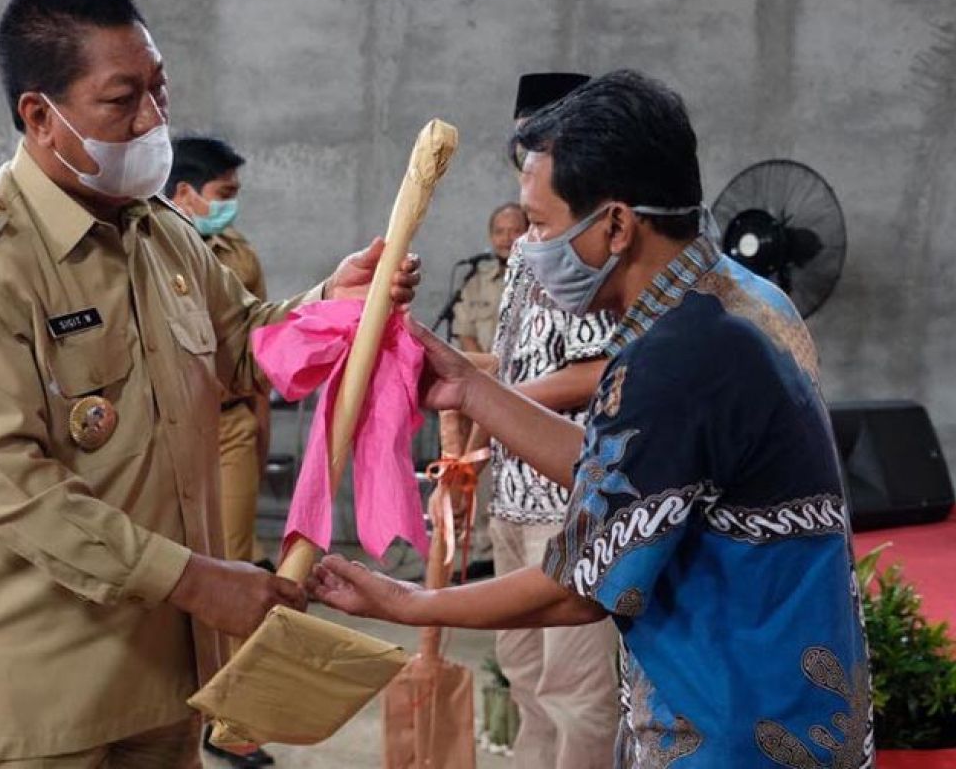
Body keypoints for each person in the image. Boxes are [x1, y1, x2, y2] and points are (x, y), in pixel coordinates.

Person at [0, 0, 418, 768]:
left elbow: (242, 341)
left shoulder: (162, 233)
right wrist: (201, 581)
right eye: (122, 99)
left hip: (162, 673)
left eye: (160, 89)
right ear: (41, 116)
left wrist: (330, 306)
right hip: (34, 687)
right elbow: (8, 486)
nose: (153, 119)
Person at [309, 70, 873, 767]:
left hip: (733, 729)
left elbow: (576, 590)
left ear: (614, 224)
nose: (527, 250)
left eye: (541, 226)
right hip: (788, 706)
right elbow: (635, 473)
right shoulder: (733, 301)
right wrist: (465, 385)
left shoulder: (677, 357)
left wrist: (404, 603)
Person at [468, 71, 621, 768]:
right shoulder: (532, 246)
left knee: (577, 691)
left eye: (546, 140)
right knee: (524, 672)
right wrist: (474, 443)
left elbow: (603, 370)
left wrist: (506, 398)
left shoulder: (595, 245)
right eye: (523, 141)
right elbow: (514, 364)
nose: (529, 154)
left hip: (571, 501)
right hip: (513, 492)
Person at [166, 136, 271, 570]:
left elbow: (260, 344)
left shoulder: (240, 254)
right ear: (185, 192)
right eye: (222, 195)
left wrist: (259, 428)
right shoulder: (144, 249)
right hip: (165, 425)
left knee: (234, 562)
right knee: (169, 561)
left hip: (229, 424)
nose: (231, 207)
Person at [450, 202, 526, 354]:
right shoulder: (474, 282)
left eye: (515, 231)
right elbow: (465, 334)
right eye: (499, 232)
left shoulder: (541, 283)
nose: (506, 238)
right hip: (482, 373)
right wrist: (488, 374)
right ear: (491, 236)